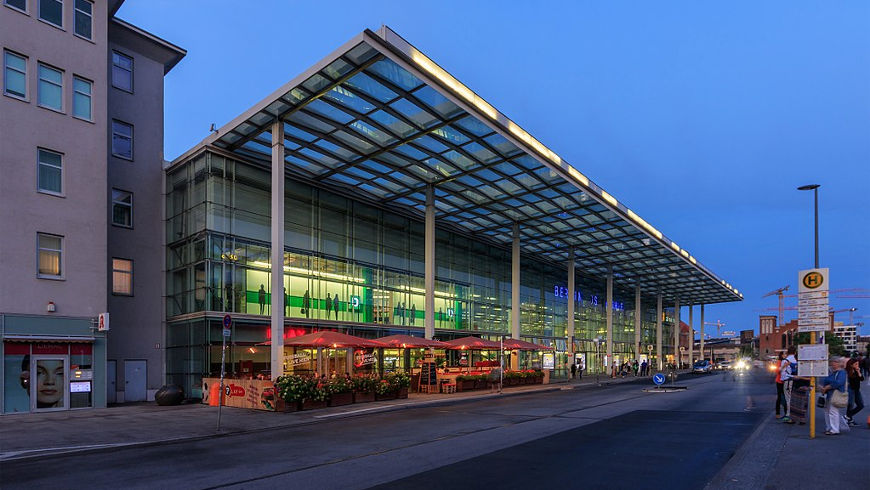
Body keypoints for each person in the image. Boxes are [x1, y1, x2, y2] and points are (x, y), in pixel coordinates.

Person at [819, 357, 847, 435]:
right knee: (827, 411)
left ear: (838, 363)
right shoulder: (832, 372)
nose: (832, 364)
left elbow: (839, 382)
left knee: (833, 411)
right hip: (829, 394)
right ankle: (829, 428)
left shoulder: (841, 372)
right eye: (832, 362)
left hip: (835, 394)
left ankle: (834, 429)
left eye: (834, 362)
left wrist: (827, 387)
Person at [780, 347, 797, 423]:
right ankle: (795, 414)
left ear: (788, 352)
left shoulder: (785, 360)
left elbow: (782, 371)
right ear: (795, 352)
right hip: (796, 381)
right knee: (794, 398)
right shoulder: (796, 360)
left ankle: (789, 415)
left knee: (788, 399)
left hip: (788, 381)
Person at [845, 357, 865, 426]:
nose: (857, 366)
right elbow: (850, 382)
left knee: (861, 405)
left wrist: (859, 371)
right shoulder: (847, 371)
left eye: (858, 364)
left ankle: (848, 416)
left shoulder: (857, 370)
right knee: (851, 404)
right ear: (851, 365)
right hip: (850, 389)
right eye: (856, 364)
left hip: (856, 390)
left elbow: (862, 379)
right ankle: (849, 419)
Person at [774, 352, 787, 420]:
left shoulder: (787, 361)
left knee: (785, 397)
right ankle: (778, 413)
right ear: (781, 355)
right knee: (780, 397)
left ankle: (786, 413)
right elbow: (777, 371)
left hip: (786, 381)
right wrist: (784, 366)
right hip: (780, 381)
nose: (785, 355)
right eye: (784, 354)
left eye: (786, 354)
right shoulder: (779, 361)